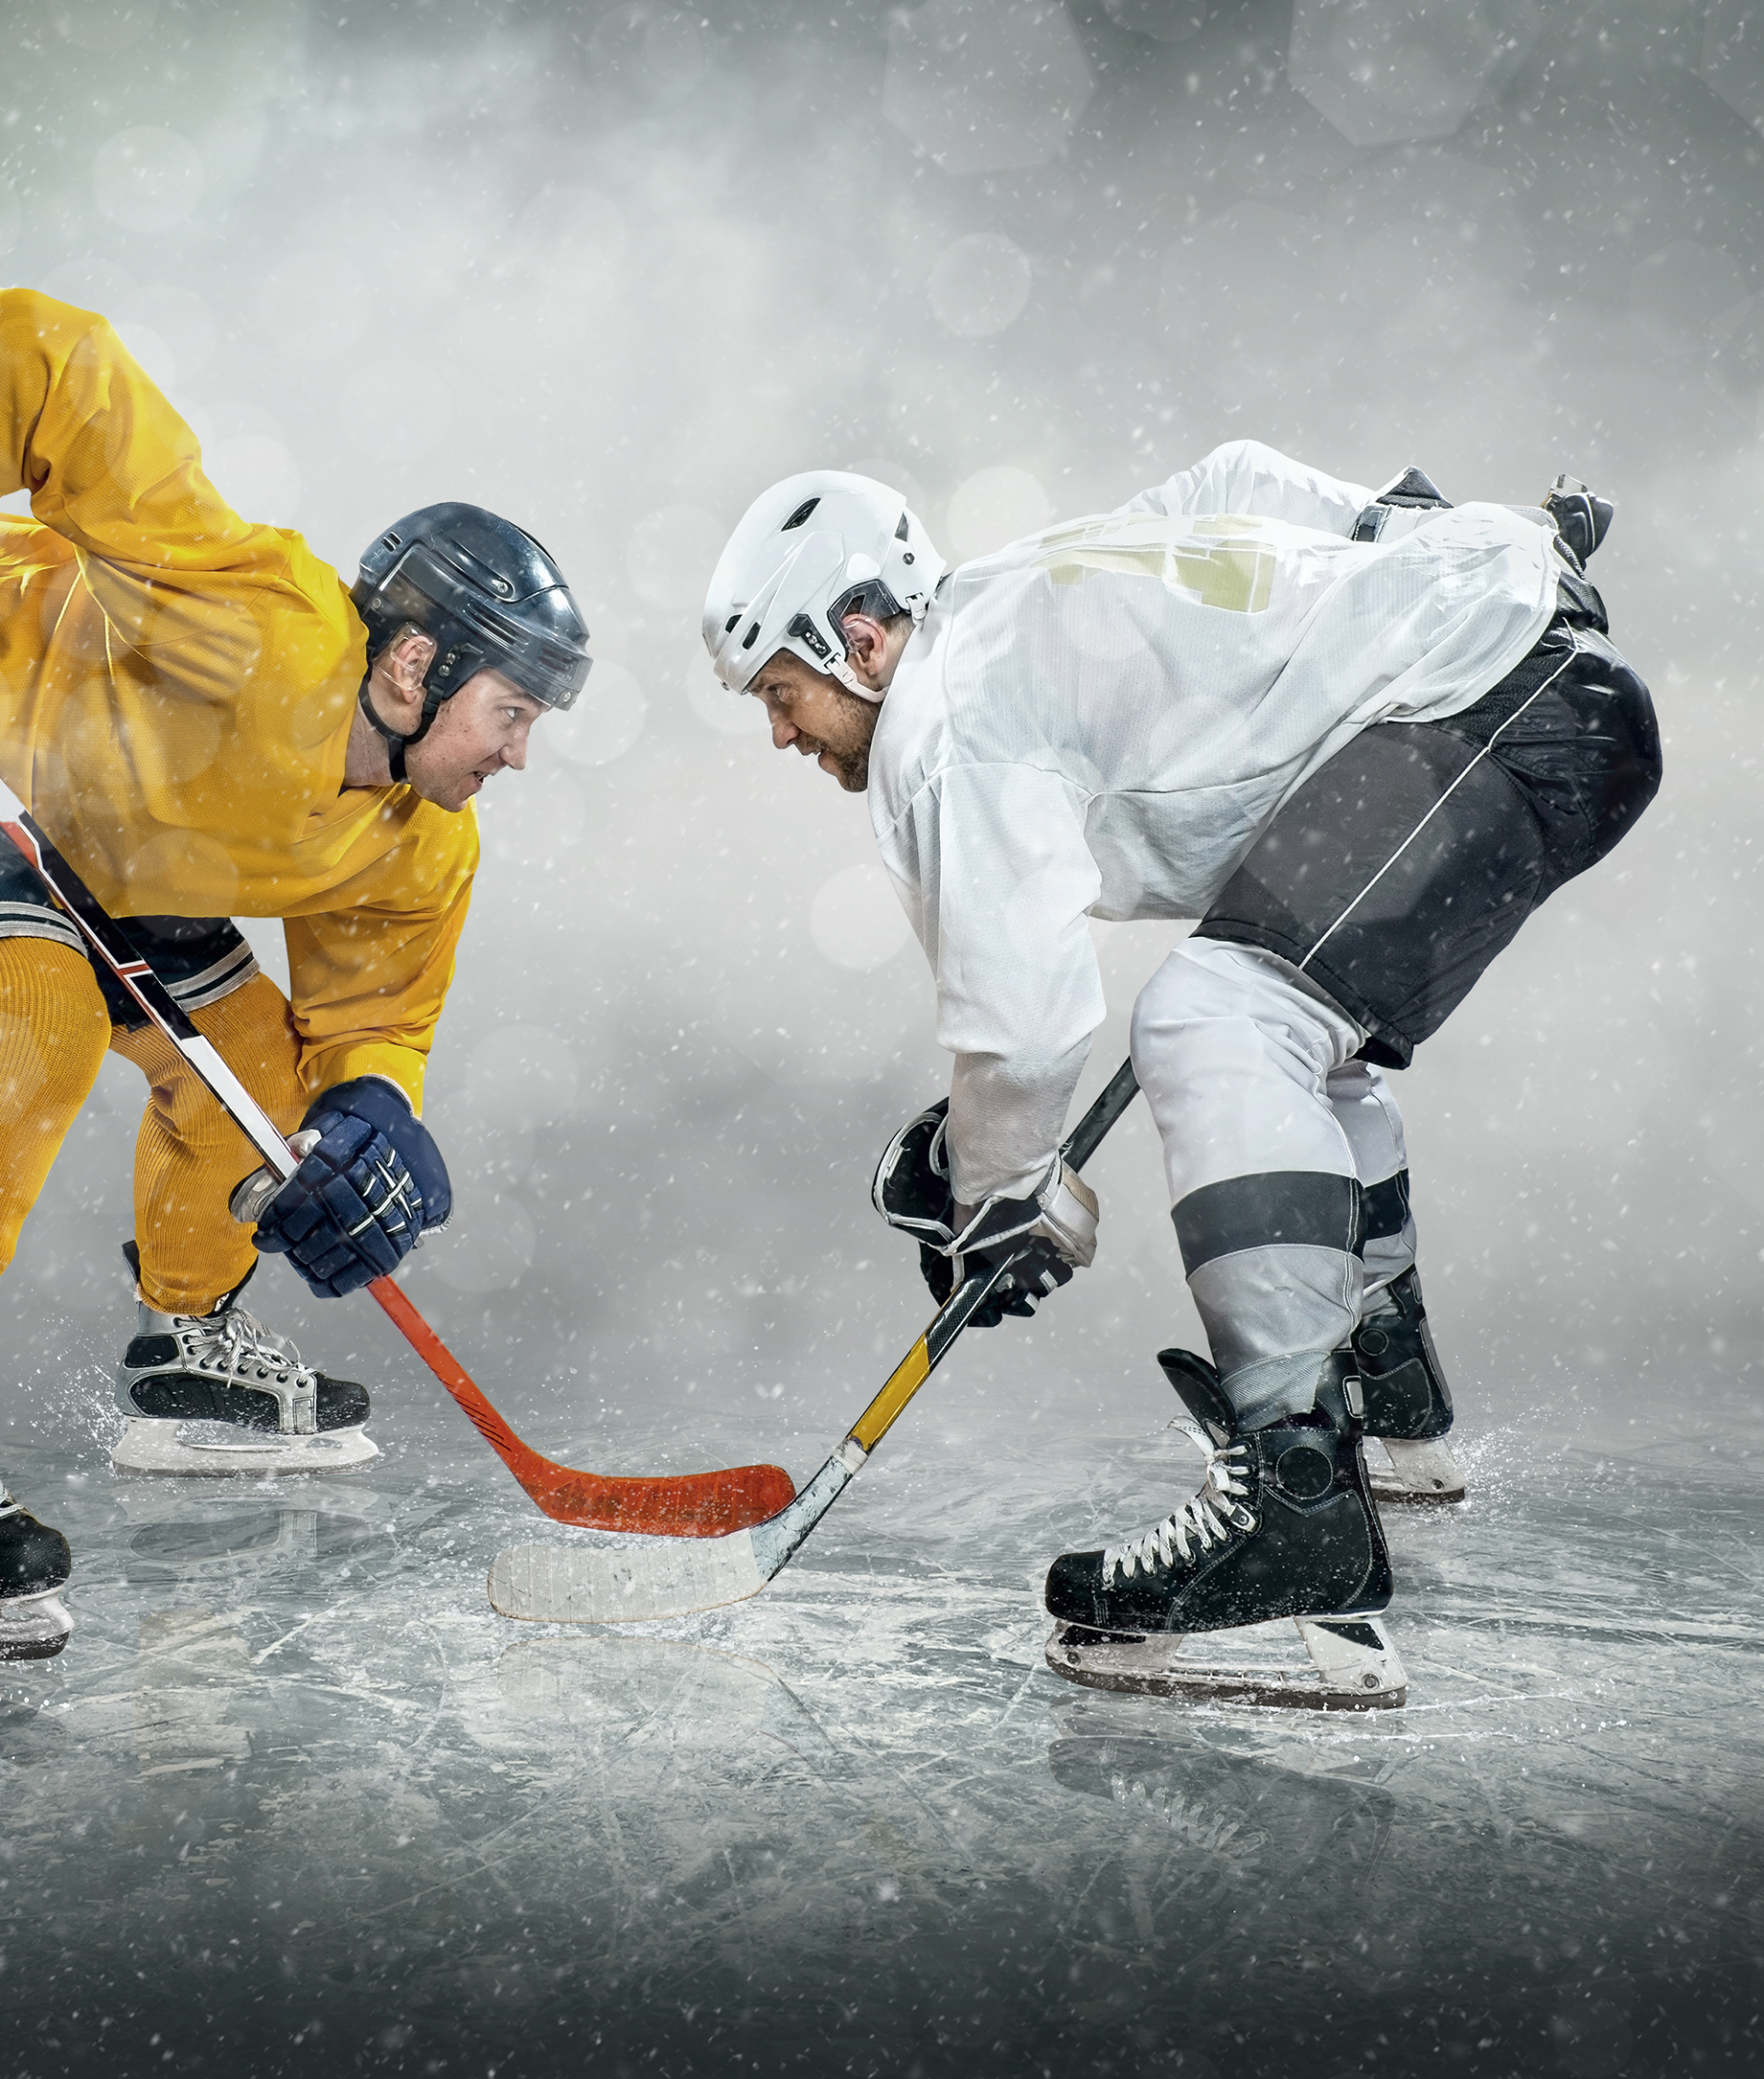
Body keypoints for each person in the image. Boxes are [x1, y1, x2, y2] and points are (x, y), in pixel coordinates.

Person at [0, 288, 589, 1654]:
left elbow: (376, 1019)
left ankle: (186, 1350)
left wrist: (366, 1117)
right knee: (23, 1016)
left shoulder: (422, 843)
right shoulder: (271, 627)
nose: (519, 751)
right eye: (510, 711)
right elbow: (39, 352)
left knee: (262, 1071)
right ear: (417, 662)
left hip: (87, 830)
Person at [699, 446, 1658, 1701]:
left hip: (1502, 702)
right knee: (1297, 1028)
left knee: (1218, 1020)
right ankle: (1390, 1404)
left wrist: (998, 1189)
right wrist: (1392, 524)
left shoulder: (952, 716)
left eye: (781, 690)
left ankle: (1299, 1517)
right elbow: (1225, 482)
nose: (777, 731)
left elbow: (1024, 1022)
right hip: (1535, 678)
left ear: (863, 638)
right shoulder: (1012, 598)